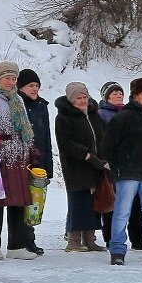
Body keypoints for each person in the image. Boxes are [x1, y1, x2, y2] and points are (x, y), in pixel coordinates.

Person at [0, 62, 37, 260]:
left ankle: (16, 245)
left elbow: (25, 128)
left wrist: (30, 149)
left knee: (18, 202)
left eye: (13, 78)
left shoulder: (17, 99)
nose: (11, 82)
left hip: (18, 155)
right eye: (7, 78)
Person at [54, 82, 108, 252]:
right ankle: (73, 240)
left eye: (85, 97)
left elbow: (102, 136)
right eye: (79, 98)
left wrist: (102, 157)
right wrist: (86, 155)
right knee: (78, 202)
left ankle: (90, 239)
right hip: (76, 166)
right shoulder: (64, 117)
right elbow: (66, 143)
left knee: (92, 203)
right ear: (71, 100)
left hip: (96, 164)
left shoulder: (93, 115)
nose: (83, 100)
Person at [96, 81, 142, 250]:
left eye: (120, 93)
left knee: (135, 203)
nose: (118, 95)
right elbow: (101, 140)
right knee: (112, 202)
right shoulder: (101, 114)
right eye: (114, 93)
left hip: (133, 165)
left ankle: (138, 240)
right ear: (106, 96)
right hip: (112, 165)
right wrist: (105, 160)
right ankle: (110, 238)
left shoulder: (131, 112)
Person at [17, 68, 52, 254]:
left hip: (39, 161)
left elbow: (46, 137)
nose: (35, 89)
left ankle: (29, 238)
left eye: (37, 85)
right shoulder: (16, 103)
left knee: (34, 202)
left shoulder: (41, 105)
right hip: (22, 159)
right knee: (20, 201)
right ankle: (20, 239)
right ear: (21, 87)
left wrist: (48, 167)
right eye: (31, 85)